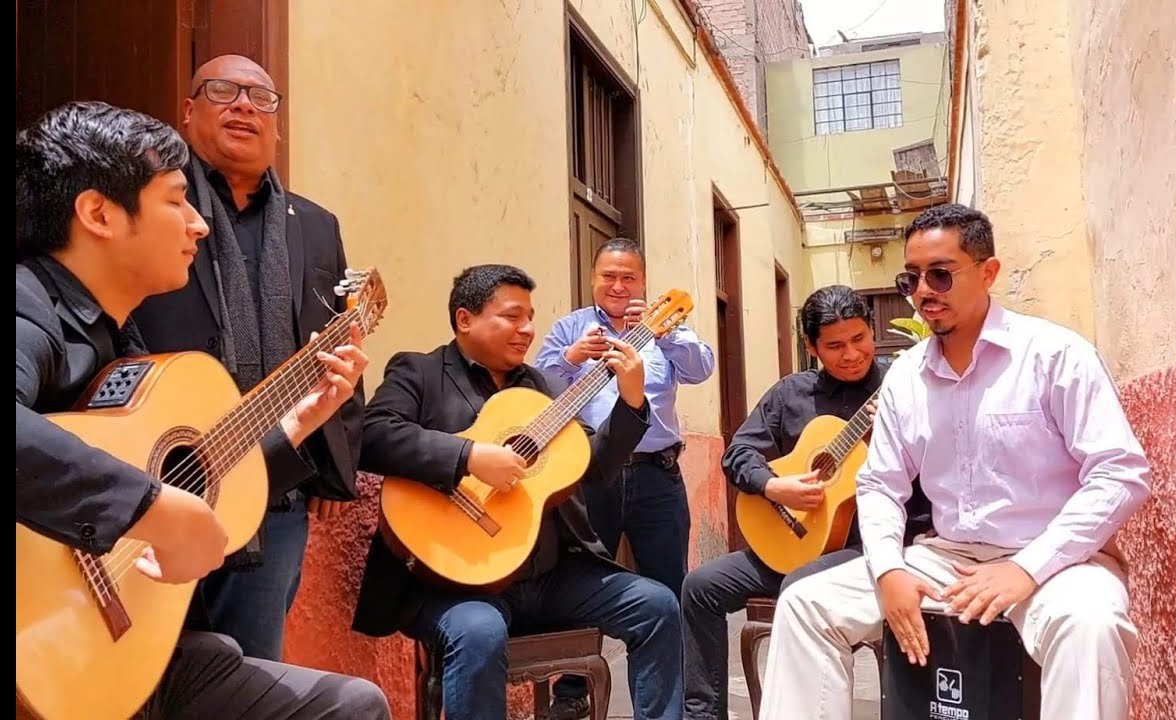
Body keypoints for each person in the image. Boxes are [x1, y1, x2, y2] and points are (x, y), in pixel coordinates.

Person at [16, 100, 388, 719]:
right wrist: (149, 508)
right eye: (176, 200)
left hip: (133, 650)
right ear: (99, 214)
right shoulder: (28, 305)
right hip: (45, 656)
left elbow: (192, 473)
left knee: (351, 705)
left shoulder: (122, 337)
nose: (200, 225)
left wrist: (301, 421)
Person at [757, 203, 1152, 720]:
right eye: (911, 278)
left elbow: (1119, 473)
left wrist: (1027, 568)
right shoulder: (906, 377)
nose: (924, 291)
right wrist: (889, 569)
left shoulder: (1055, 356)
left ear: (988, 273)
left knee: (1092, 626)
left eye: (940, 274)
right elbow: (880, 484)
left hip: (1055, 560)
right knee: (806, 606)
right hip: (944, 559)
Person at [353, 264, 684, 720]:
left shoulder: (544, 387)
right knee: (478, 631)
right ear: (465, 319)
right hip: (455, 580)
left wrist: (631, 402)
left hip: (551, 575)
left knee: (657, 605)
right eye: (512, 316)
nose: (527, 329)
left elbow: (594, 466)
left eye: (530, 317)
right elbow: (372, 435)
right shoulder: (420, 372)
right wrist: (469, 456)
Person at [129, 53, 365, 662]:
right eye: (223, 91)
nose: (244, 106)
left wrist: (330, 464)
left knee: (251, 667)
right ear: (187, 112)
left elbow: (336, 334)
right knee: (143, 661)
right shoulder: (153, 205)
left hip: (274, 488)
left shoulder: (316, 224)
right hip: (159, 468)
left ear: (277, 127)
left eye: (261, 98)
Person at [680, 285, 932, 720]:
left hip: (867, 549)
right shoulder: (791, 394)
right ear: (812, 347)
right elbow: (738, 454)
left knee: (802, 587)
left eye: (859, 339)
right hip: (792, 541)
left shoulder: (903, 387)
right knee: (700, 587)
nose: (851, 354)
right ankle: (702, 715)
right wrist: (773, 486)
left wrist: (897, 434)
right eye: (834, 346)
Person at [534, 238, 713, 720]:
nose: (618, 286)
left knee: (667, 589)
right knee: (581, 579)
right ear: (593, 279)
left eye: (628, 277)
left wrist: (666, 336)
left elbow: (702, 367)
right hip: (589, 476)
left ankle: (665, 705)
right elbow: (536, 387)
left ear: (643, 281)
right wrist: (572, 357)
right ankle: (572, 692)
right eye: (608, 276)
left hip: (657, 474)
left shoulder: (665, 324)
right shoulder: (570, 327)